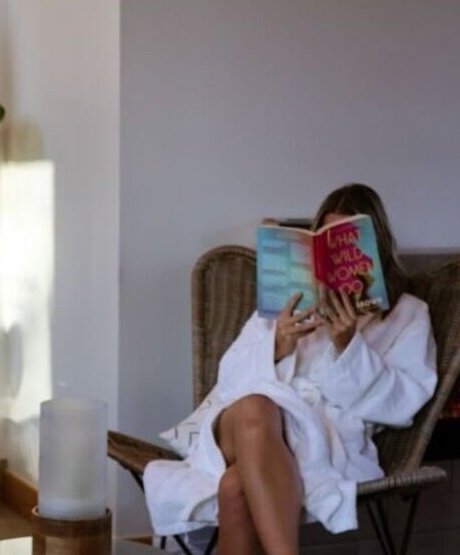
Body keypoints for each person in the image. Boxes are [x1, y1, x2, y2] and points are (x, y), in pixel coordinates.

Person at [143, 183, 437, 555]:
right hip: (242, 427)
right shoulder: (290, 301)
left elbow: (402, 403)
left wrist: (348, 346)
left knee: (235, 488)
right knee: (254, 407)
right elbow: (231, 378)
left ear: (374, 249)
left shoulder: (408, 313)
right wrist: (278, 344)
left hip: (317, 441)